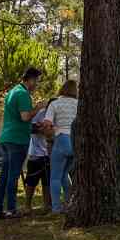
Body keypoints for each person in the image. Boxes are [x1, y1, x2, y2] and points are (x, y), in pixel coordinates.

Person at [0, 67, 45, 219]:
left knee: (4, 175)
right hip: (17, 140)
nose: (37, 85)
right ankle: (11, 209)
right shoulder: (23, 94)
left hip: (6, 138)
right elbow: (25, 117)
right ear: (30, 79)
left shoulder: (12, 92)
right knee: (13, 176)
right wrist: (38, 107)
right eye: (36, 81)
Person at [43, 80, 79, 214]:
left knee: (55, 177)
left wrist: (49, 136)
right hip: (75, 142)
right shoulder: (79, 104)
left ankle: (56, 208)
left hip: (61, 138)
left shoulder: (55, 103)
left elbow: (47, 124)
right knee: (65, 175)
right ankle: (69, 204)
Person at [24, 100, 54, 214]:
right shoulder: (40, 113)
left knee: (47, 181)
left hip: (50, 154)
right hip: (35, 154)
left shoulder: (57, 115)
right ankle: (27, 206)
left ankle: (47, 205)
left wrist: (47, 130)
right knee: (31, 181)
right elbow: (30, 128)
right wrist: (43, 130)